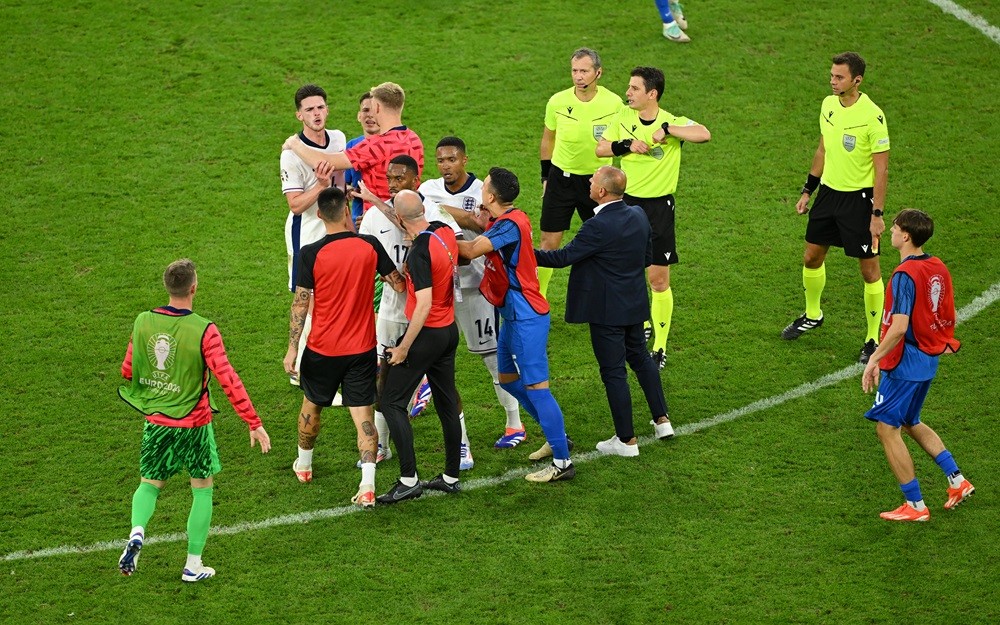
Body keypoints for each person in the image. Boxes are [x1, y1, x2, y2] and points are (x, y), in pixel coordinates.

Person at [117, 259, 271, 582]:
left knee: (149, 484)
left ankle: (137, 532)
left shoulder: (143, 321)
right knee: (201, 490)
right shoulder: (204, 329)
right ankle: (193, 565)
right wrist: (253, 421)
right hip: (194, 426)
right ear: (194, 287)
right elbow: (226, 377)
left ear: (168, 287)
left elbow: (128, 371)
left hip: (156, 423)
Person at [535, 166, 673, 456]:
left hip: (607, 310)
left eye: (593, 180)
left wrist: (522, 249)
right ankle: (662, 420)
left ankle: (626, 441)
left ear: (601, 191)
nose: (589, 182)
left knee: (613, 372)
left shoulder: (597, 226)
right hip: (635, 303)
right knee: (640, 359)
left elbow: (561, 258)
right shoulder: (637, 214)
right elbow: (646, 257)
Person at [283, 187, 405, 508]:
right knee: (363, 414)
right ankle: (367, 485)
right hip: (362, 348)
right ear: (347, 210)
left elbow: (300, 303)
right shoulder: (370, 245)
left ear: (320, 214)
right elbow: (397, 282)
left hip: (322, 349)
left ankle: (305, 466)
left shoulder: (309, 253)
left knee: (312, 405)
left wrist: (293, 349)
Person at [458, 168, 575, 483]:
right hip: (512, 316)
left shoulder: (508, 225)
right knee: (508, 379)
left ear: (492, 196)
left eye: (483, 187)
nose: (480, 190)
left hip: (526, 318)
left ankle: (563, 463)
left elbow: (469, 251)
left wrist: (433, 231)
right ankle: (557, 437)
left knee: (538, 388)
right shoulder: (509, 219)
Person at [596, 66, 711, 369]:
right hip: (627, 206)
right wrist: (626, 145)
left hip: (659, 209)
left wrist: (670, 131)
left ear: (652, 94)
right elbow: (600, 148)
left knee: (658, 280)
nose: (628, 93)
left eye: (634, 89)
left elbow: (704, 134)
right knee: (628, 269)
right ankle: (641, 323)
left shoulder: (671, 122)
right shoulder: (623, 118)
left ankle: (659, 348)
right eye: (629, 87)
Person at [861, 208, 971, 521]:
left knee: (887, 429)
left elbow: (898, 328)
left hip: (906, 362)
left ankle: (916, 505)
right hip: (927, 358)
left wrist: (875, 359)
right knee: (910, 420)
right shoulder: (936, 266)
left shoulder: (903, 276)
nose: (891, 232)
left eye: (894, 228)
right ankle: (957, 480)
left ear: (905, 236)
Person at [419, 137, 526, 452]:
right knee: (425, 349)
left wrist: (440, 211)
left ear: (464, 159)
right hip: (439, 288)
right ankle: (421, 385)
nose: (446, 166)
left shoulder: (483, 192)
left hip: (475, 287)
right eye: (441, 160)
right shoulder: (427, 189)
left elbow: (487, 227)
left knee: (492, 358)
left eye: (452, 159)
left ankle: (514, 423)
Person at [783, 52, 890, 365]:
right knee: (811, 256)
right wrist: (807, 190)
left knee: (869, 269)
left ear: (857, 80)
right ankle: (813, 314)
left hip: (859, 201)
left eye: (839, 77)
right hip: (828, 195)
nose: (832, 81)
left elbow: (881, 170)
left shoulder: (873, 116)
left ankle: (873, 337)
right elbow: (823, 149)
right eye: (831, 75)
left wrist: (877, 215)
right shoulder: (828, 105)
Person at [376, 190, 464, 503]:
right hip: (449, 332)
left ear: (400, 219)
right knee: (446, 402)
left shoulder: (419, 254)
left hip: (426, 334)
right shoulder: (441, 230)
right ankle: (451, 476)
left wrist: (403, 348)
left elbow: (424, 303)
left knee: (391, 402)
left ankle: (409, 479)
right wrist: (374, 200)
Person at [537, 48, 623, 299]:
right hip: (560, 179)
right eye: (575, 70)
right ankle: (538, 300)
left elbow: (624, 140)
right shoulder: (558, 101)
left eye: (584, 71)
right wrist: (545, 176)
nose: (578, 76)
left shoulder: (614, 104)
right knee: (548, 241)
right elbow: (547, 139)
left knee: (608, 242)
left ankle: (611, 295)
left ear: (598, 72)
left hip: (598, 184)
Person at [279, 84, 347, 392]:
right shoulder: (290, 156)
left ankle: (333, 358)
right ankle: (300, 366)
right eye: (309, 109)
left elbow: (343, 180)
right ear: (299, 115)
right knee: (308, 299)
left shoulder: (339, 138)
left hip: (336, 228)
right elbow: (294, 205)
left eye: (320, 107)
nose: (316, 114)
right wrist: (320, 186)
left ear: (327, 110)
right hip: (305, 234)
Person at [284, 81, 424, 210]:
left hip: (380, 224)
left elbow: (322, 163)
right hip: (409, 214)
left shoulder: (375, 145)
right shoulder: (414, 139)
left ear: (377, 107)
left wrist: (294, 143)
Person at [345, 92, 381, 221]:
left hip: (385, 217)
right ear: (359, 116)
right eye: (366, 110)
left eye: (375, 111)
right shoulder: (352, 145)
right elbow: (344, 182)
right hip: (358, 219)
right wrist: (348, 189)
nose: (370, 115)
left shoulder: (393, 145)